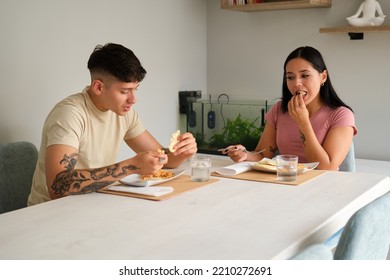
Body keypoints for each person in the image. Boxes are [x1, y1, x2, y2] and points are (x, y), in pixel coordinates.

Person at [28, 43, 197, 206]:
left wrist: (181, 152)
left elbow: (164, 161)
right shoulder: (69, 114)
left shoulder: (124, 113)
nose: (133, 99)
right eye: (124, 91)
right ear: (98, 87)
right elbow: (58, 187)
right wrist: (131, 166)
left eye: (135, 89)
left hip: (95, 205)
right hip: (50, 213)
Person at [223, 46, 357, 171]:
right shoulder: (279, 110)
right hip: (285, 182)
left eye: (305, 75)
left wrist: (303, 122)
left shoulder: (341, 115)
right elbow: (263, 155)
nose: (297, 83)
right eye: (290, 77)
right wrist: (244, 154)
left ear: (323, 77)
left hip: (322, 188)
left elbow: (327, 168)